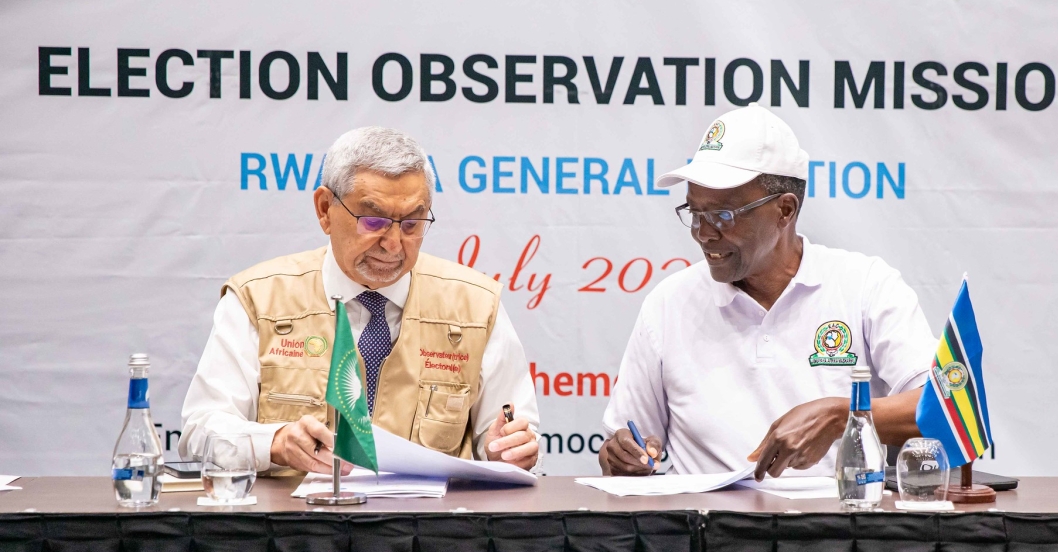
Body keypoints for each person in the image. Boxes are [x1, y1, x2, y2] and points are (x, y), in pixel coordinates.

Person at [599, 104, 936, 481]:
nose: (703, 233)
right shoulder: (668, 304)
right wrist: (622, 456)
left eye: (723, 215)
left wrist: (840, 415)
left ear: (785, 211)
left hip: (837, 529)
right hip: (705, 533)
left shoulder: (866, 286)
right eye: (694, 212)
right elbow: (626, 443)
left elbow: (945, 408)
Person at [180, 126, 540, 474]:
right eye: (373, 221)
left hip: (429, 529)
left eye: (412, 225)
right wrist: (273, 442)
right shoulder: (258, 298)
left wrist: (506, 451)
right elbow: (201, 431)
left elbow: (511, 438)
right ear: (324, 209)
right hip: (293, 528)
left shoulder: (475, 305)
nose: (394, 244)